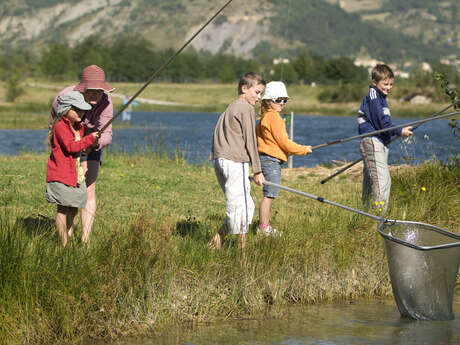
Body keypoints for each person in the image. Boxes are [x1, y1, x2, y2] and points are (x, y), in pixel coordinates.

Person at [49, 65, 114, 243]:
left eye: (99, 92)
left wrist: (96, 143)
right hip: (67, 146)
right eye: (91, 92)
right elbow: (52, 128)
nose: (95, 97)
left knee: (88, 190)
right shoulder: (63, 99)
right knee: (69, 190)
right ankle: (66, 237)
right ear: (82, 89)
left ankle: (85, 240)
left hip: (92, 144)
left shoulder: (106, 102)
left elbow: (107, 134)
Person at [209, 72, 266, 250]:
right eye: (257, 92)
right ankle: (242, 255)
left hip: (220, 160)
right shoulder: (245, 108)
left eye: (261, 93)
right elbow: (251, 140)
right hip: (235, 162)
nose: (259, 97)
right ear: (244, 88)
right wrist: (257, 170)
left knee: (245, 206)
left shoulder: (230, 108)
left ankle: (216, 242)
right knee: (241, 208)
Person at [256, 81, 312, 236]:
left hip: (267, 160)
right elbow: (284, 142)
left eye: (284, 100)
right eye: (278, 100)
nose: (282, 103)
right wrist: (303, 150)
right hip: (271, 161)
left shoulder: (265, 117)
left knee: (270, 193)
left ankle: (264, 226)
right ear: (268, 101)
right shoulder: (274, 118)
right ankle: (263, 228)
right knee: (270, 194)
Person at [46, 91, 100, 246]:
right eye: (76, 109)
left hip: (75, 175)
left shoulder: (78, 127)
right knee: (62, 209)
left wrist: (92, 144)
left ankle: (68, 234)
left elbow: (81, 150)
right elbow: (71, 147)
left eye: (83, 110)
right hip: (61, 175)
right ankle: (64, 244)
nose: (81, 113)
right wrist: (89, 138)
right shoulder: (60, 127)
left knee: (74, 209)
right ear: (65, 109)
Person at [357, 64, 413, 212]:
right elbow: (383, 124)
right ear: (375, 83)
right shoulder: (373, 96)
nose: (388, 87)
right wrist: (400, 131)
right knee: (382, 181)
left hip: (379, 141)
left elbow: (383, 126)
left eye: (391, 84)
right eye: (385, 84)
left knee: (374, 180)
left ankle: (366, 212)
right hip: (372, 140)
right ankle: (379, 215)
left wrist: (392, 134)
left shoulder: (381, 98)